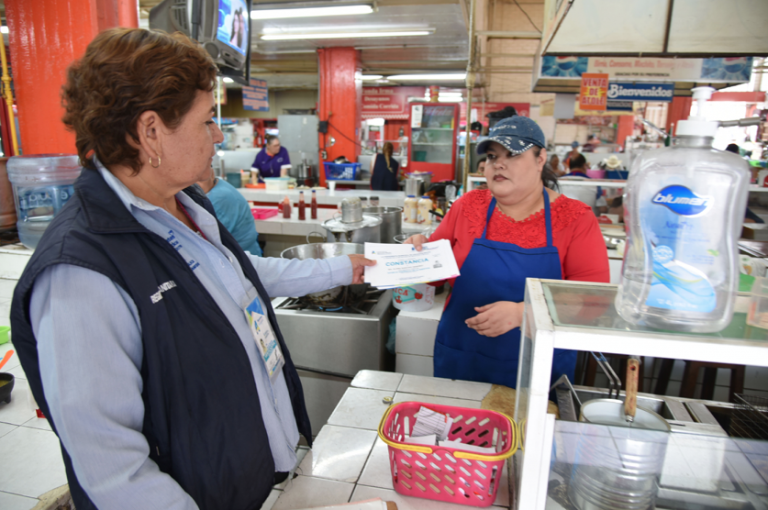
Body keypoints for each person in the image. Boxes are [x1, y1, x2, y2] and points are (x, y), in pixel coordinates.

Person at [10, 28, 375, 510]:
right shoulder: (82, 274)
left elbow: (242, 275)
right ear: (151, 132)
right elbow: (114, 471)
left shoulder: (184, 205)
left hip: (250, 479)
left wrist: (344, 268)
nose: (219, 135)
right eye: (207, 121)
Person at [404, 116, 609, 388]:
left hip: (535, 368)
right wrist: (416, 254)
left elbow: (594, 301)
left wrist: (523, 313)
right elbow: (434, 277)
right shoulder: (468, 206)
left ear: (540, 159)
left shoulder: (575, 219)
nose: (498, 164)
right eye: (491, 156)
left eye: (512, 154)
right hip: (462, 357)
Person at [197, 167, 263, 256]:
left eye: (200, 178)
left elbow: (208, 242)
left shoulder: (219, 197)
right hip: (246, 253)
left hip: (241, 258)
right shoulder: (217, 184)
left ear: (211, 173)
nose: (194, 185)